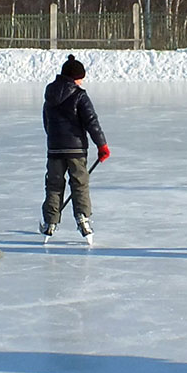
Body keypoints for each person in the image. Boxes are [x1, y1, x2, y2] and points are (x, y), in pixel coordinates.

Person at [39, 55, 110, 245]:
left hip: (54, 149)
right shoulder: (80, 96)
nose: (81, 82)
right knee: (80, 185)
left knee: (54, 185)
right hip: (76, 151)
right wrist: (101, 145)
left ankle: (49, 223)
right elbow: (91, 122)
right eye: (80, 78)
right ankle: (83, 220)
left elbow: (47, 123)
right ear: (73, 78)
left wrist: (54, 141)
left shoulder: (50, 95)